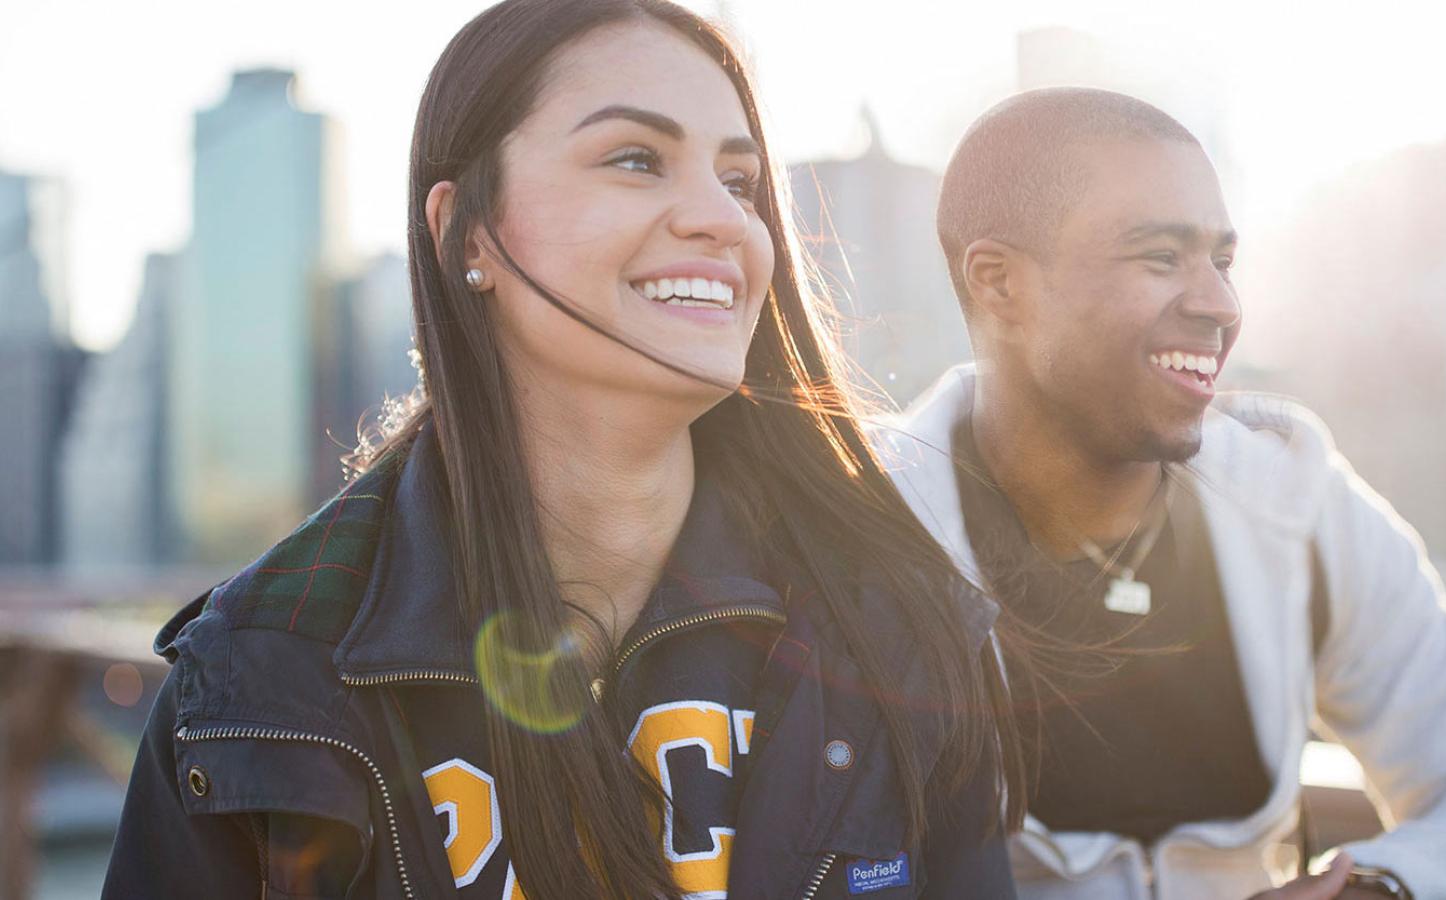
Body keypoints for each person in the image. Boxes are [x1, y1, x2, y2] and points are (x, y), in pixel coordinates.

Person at [102, 2, 1019, 897]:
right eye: (635, 159)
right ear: (468, 233)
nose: (724, 219)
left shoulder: (902, 630)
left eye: (740, 182)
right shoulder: (258, 681)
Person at [873, 87, 1446, 899]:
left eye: (1221, 260)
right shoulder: (870, 520)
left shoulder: (1291, 499)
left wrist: (1374, 889)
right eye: (1160, 257)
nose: (1220, 304)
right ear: (999, 283)